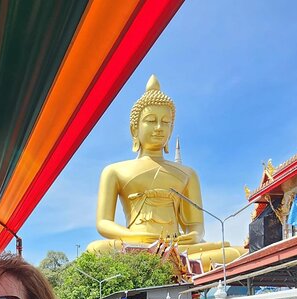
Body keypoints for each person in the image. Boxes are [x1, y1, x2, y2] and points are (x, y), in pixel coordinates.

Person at [87, 74, 246, 270]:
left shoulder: (188, 173)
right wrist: (137, 236)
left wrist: (194, 236)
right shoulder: (114, 171)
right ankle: (166, 262)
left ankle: (168, 262)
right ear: (134, 129)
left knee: (234, 252)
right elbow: (103, 223)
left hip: (177, 246)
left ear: (171, 130)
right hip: (136, 245)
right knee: (96, 250)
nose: (159, 127)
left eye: (166, 122)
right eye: (151, 121)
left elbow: (196, 226)